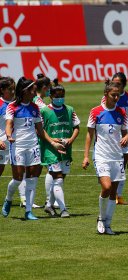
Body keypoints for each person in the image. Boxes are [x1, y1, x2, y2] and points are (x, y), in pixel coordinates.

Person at [1, 77, 64, 220]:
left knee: (32, 178)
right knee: (17, 179)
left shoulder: (35, 108)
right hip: (17, 146)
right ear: (25, 91)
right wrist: (9, 135)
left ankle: (28, 211)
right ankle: (8, 199)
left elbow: (41, 131)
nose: (35, 93)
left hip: (33, 146)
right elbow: (9, 124)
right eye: (32, 90)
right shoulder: (13, 107)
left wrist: (53, 143)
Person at [82, 80, 128, 235]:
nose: (116, 97)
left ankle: (108, 223)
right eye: (113, 95)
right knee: (106, 187)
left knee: (114, 192)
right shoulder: (96, 112)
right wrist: (86, 156)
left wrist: (126, 137)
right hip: (101, 155)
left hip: (117, 156)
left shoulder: (122, 113)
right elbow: (89, 135)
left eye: (118, 95)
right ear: (106, 94)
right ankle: (100, 218)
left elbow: (125, 132)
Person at [40, 79, 80, 218]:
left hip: (66, 148)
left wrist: (71, 139)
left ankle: (49, 205)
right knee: (58, 179)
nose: (60, 98)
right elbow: (40, 129)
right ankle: (63, 209)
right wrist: (51, 141)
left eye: (62, 95)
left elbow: (76, 127)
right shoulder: (44, 111)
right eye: (57, 96)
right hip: (51, 150)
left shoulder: (70, 109)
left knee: (61, 177)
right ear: (51, 96)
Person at [102, 72, 128, 205]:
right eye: (114, 83)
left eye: (119, 84)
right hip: (111, 137)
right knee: (112, 166)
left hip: (125, 136)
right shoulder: (108, 96)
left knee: (122, 167)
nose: (116, 86)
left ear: (124, 85)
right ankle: (111, 193)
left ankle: (119, 195)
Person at [18, 73, 51, 208]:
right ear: (43, 88)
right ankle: (25, 199)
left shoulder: (39, 102)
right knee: (30, 169)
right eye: (49, 88)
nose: (50, 90)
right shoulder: (36, 102)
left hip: (37, 138)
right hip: (34, 139)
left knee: (33, 169)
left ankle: (27, 199)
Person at [0, 77, 15, 178]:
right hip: (2, 144)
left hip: (16, 144)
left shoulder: (17, 103)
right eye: (10, 89)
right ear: (2, 90)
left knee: (21, 174)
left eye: (14, 88)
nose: (13, 91)